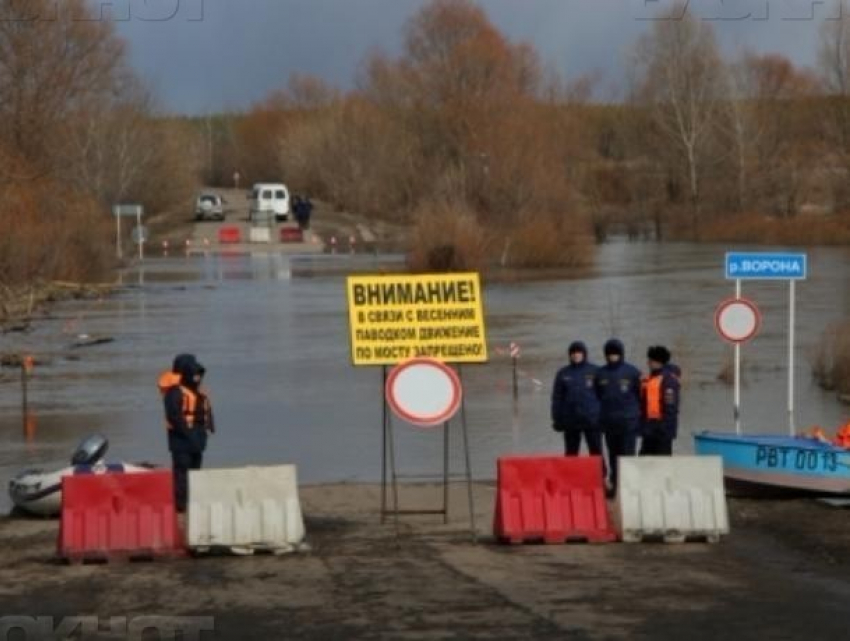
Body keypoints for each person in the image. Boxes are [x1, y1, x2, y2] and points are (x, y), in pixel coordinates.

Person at [159, 354, 215, 511]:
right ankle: (181, 507)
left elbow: (206, 414)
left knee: (195, 474)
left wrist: (204, 433)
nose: (197, 376)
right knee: (182, 475)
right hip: (181, 441)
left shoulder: (197, 392)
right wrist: (188, 434)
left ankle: (192, 504)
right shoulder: (174, 393)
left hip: (197, 439)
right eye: (194, 372)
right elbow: (174, 416)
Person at [594, 339, 642, 496]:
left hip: (628, 423)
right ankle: (615, 486)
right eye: (610, 354)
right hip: (609, 423)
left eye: (615, 354)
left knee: (628, 456)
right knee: (613, 455)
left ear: (621, 354)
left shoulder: (633, 372)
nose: (612, 356)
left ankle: (630, 488)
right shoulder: (600, 374)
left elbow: (640, 396)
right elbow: (597, 396)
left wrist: (637, 418)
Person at [551, 341, 602, 459]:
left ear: (584, 354)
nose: (575, 355)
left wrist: (603, 417)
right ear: (570, 355)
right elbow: (557, 398)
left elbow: (603, 396)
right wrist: (557, 419)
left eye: (578, 352)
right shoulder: (563, 373)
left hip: (592, 419)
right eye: (573, 353)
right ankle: (569, 475)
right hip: (570, 420)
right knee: (571, 453)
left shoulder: (595, 371)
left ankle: (601, 475)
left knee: (596, 450)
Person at [640, 346, 680, 456]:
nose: (648, 363)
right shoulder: (648, 380)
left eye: (650, 360)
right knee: (644, 461)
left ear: (657, 362)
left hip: (662, 430)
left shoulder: (669, 381)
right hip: (649, 429)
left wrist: (665, 429)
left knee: (662, 463)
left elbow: (670, 407)